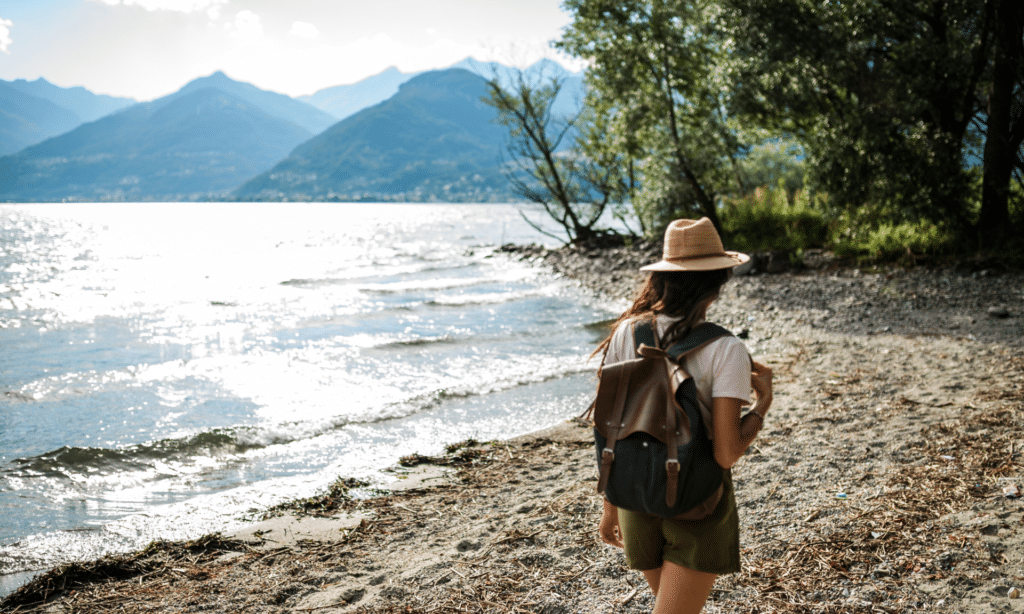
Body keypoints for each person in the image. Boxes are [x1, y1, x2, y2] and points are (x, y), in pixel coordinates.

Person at [593, 217, 773, 614]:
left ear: (664, 277)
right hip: (697, 501)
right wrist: (762, 404)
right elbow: (726, 454)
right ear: (719, 281)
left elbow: (611, 426)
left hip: (636, 496)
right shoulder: (727, 350)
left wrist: (611, 503)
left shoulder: (627, 332)